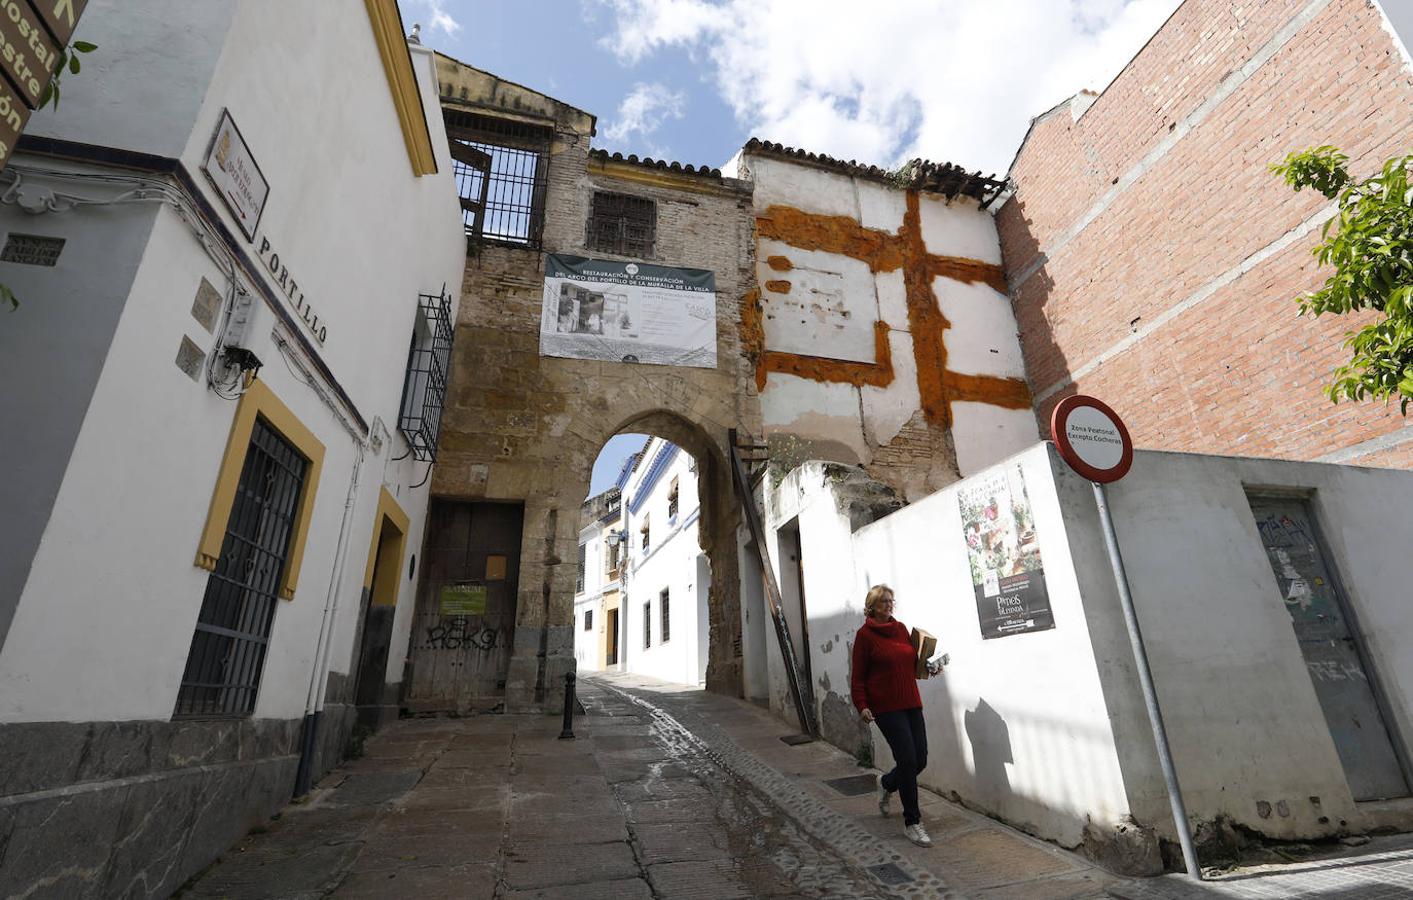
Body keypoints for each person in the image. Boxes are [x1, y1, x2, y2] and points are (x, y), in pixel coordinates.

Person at [850, 583, 940, 847]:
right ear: (872, 606)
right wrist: (862, 705)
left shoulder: (900, 629)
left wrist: (930, 667)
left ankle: (888, 783)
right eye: (884, 602)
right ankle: (912, 823)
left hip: (911, 701)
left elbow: (911, 665)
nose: (889, 605)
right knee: (907, 760)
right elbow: (858, 677)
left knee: (919, 759)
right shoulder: (865, 636)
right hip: (886, 707)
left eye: (891, 601)